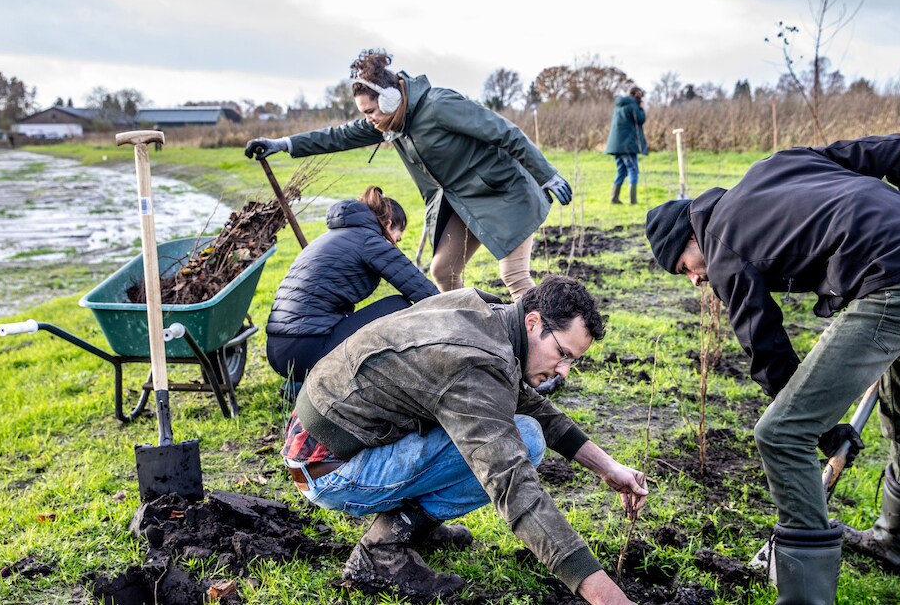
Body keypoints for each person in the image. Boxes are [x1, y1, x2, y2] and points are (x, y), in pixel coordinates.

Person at [643, 134, 900, 605]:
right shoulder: (777, 165)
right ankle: (896, 545)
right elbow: (894, 151)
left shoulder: (722, 249)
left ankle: (804, 597)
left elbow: (768, 352)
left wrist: (820, 431)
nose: (697, 280)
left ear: (691, 239)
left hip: (897, 281)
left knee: (780, 433)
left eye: (684, 268)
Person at [280, 275, 648, 603]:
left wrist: (607, 467)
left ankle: (411, 525)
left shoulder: (486, 312)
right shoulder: (476, 362)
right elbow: (511, 484)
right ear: (533, 322)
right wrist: (603, 594)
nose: (563, 371)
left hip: (326, 435)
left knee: (521, 427)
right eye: (562, 354)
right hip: (330, 469)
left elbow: (519, 398)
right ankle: (382, 550)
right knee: (525, 441)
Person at [246, 48, 572, 301]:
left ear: (389, 98)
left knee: (513, 273)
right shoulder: (391, 122)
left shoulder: (439, 105)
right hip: (464, 201)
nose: (369, 119)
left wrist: (547, 175)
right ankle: (473, 336)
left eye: (370, 110)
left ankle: (543, 354)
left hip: (505, 192)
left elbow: (506, 132)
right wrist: (282, 144)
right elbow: (338, 135)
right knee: (443, 271)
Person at [266, 186, 438, 384]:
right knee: (399, 307)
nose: (395, 244)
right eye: (397, 238)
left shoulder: (333, 237)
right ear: (389, 224)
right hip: (305, 347)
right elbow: (424, 291)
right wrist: (464, 310)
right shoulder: (369, 240)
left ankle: (305, 385)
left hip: (279, 350)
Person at [604, 85, 647, 205]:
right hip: (627, 145)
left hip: (616, 145)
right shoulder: (633, 105)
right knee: (633, 170)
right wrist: (641, 108)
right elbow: (640, 119)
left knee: (621, 171)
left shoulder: (619, 104)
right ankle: (633, 201)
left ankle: (614, 198)